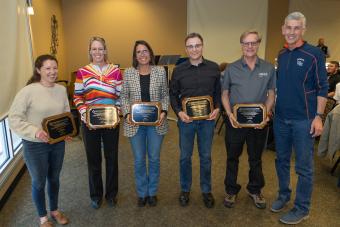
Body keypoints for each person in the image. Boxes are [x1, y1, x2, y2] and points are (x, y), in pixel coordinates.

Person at [272, 12, 328, 224]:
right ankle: (283, 196)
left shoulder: (314, 54)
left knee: (304, 167)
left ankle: (302, 208)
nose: (292, 32)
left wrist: (319, 117)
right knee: (281, 161)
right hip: (281, 119)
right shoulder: (282, 54)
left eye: (297, 28)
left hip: (304, 120)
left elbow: (323, 86)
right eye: (289, 27)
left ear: (303, 30)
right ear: (283, 29)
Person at [9, 54, 70, 227]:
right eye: (47, 68)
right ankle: (43, 217)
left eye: (55, 68)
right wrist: (35, 131)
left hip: (57, 143)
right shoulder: (28, 91)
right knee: (38, 182)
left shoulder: (61, 89)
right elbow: (14, 118)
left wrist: (67, 130)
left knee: (54, 178)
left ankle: (55, 210)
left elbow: (65, 112)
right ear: (38, 70)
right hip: (35, 146)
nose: (52, 72)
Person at [221, 30, 276, 209]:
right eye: (246, 43)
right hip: (235, 122)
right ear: (241, 45)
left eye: (253, 43)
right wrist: (229, 114)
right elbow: (224, 94)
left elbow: (271, 94)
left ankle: (255, 189)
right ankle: (231, 189)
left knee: (256, 158)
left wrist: (266, 115)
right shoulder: (231, 68)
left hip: (259, 124)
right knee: (232, 157)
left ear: (259, 43)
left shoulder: (268, 68)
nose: (250, 46)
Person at [169, 32, 221, 208]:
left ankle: (206, 190)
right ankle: (185, 189)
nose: (194, 49)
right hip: (186, 122)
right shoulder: (178, 70)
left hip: (207, 121)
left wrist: (217, 108)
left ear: (202, 46)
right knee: (185, 157)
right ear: (186, 48)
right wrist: (178, 112)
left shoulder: (214, 68)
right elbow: (173, 94)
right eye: (190, 46)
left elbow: (218, 93)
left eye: (197, 45)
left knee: (206, 157)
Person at [73, 36, 122, 209]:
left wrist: (117, 112)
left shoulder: (115, 71)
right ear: (89, 51)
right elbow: (77, 97)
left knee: (112, 158)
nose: (97, 52)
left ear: (105, 50)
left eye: (100, 48)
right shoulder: (82, 72)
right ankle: (95, 195)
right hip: (90, 123)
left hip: (111, 122)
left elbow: (120, 96)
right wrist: (85, 113)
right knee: (93, 160)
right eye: (94, 49)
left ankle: (111, 194)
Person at [120, 40, 169, 207]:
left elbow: (165, 95)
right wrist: (126, 113)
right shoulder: (128, 73)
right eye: (139, 52)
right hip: (135, 124)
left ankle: (152, 192)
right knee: (140, 159)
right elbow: (124, 96)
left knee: (154, 159)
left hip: (156, 123)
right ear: (135, 55)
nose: (142, 54)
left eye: (145, 51)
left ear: (151, 53)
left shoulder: (160, 71)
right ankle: (142, 193)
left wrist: (164, 112)